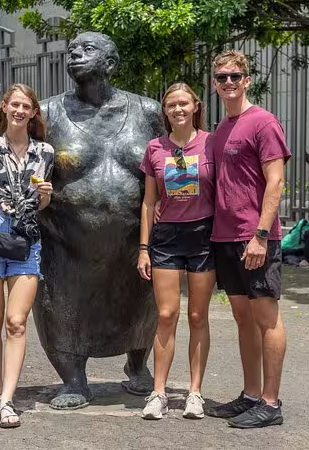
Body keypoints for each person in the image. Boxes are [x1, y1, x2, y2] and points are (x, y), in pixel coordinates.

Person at [33, 32, 163, 410]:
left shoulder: (147, 112)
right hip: (67, 241)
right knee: (63, 306)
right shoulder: (49, 113)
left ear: (111, 62)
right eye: (71, 50)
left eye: (87, 49)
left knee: (140, 304)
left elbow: (168, 164)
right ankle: (74, 379)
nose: (75, 55)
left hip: (132, 240)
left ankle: (138, 366)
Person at [205, 50, 291, 429]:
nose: (228, 83)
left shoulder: (263, 122)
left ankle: (271, 404)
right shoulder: (221, 130)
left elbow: (276, 181)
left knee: (266, 317)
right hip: (225, 237)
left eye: (235, 76)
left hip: (254, 237)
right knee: (242, 317)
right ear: (214, 84)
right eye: (222, 77)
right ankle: (252, 394)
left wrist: (260, 236)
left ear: (247, 80)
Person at [0, 84, 54, 428]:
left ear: (34, 112)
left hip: (26, 238)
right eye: (14, 105)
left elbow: (42, 203)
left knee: (16, 321)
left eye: (26, 106)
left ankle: (7, 399)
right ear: (4, 108)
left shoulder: (45, 152)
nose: (20, 111)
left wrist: (46, 196)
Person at [137, 83, 215, 420]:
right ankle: (158, 392)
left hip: (204, 236)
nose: (178, 109)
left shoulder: (211, 143)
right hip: (167, 237)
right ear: (164, 111)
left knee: (198, 316)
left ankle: (195, 393)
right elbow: (148, 203)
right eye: (171, 105)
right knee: (166, 315)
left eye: (183, 103)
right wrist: (144, 248)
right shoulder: (156, 148)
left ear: (195, 106)